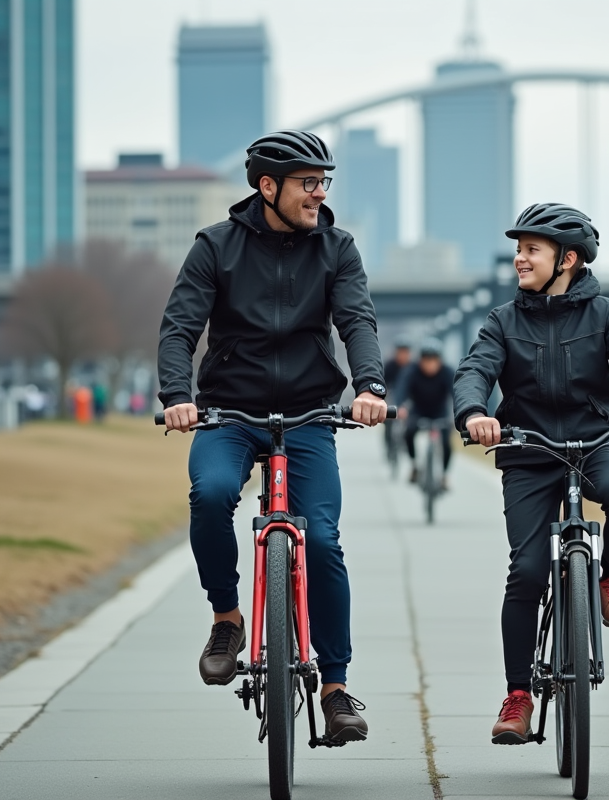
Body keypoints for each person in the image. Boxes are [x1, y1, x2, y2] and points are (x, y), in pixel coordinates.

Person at [157, 130, 389, 743]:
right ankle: (227, 617)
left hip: (311, 414)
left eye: (323, 182)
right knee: (209, 495)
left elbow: (356, 320)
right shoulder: (215, 246)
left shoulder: (338, 249)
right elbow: (180, 326)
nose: (318, 193)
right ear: (268, 186)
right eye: (307, 183)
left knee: (324, 541)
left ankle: (336, 689)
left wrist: (369, 387)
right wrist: (178, 397)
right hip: (230, 412)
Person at [453, 203, 609, 745]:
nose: (519, 258)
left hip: (593, 439)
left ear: (568, 259)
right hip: (529, 451)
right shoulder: (503, 321)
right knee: (527, 570)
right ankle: (519, 695)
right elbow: (476, 370)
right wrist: (475, 414)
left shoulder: (606, 314)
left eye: (532, 249)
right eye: (519, 248)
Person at [396, 340, 455, 490]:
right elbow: (402, 388)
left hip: (440, 411)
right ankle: (415, 465)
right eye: (426, 360)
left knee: (447, 441)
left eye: (434, 360)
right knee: (408, 433)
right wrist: (401, 406)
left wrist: (460, 411)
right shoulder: (412, 370)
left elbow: (456, 393)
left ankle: (444, 475)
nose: (430, 365)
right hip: (418, 410)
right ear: (420, 360)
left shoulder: (447, 372)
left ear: (440, 361)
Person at [381, 337, 412, 463]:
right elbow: (383, 382)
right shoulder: (390, 365)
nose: (403, 355)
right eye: (400, 352)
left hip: (408, 395)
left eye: (405, 352)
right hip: (392, 393)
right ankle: (389, 444)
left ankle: (405, 440)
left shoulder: (412, 366)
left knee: (409, 416)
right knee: (388, 418)